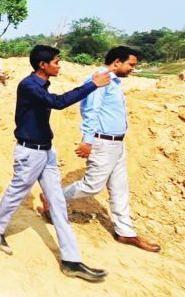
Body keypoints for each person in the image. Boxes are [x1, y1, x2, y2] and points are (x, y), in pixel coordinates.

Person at [0, 45, 111, 282]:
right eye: (56, 62)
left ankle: (71, 261)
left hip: (46, 151)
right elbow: (58, 102)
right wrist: (92, 85)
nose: (59, 66)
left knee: (57, 203)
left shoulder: (41, 84)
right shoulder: (29, 86)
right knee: (16, 192)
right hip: (29, 153)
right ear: (43, 65)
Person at [55, 46, 160, 253]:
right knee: (92, 186)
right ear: (117, 62)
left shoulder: (113, 81)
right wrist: (87, 141)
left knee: (120, 188)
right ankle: (53, 198)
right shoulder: (100, 79)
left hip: (117, 143)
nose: (133, 68)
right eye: (131, 64)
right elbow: (91, 111)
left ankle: (125, 232)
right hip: (102, 142)